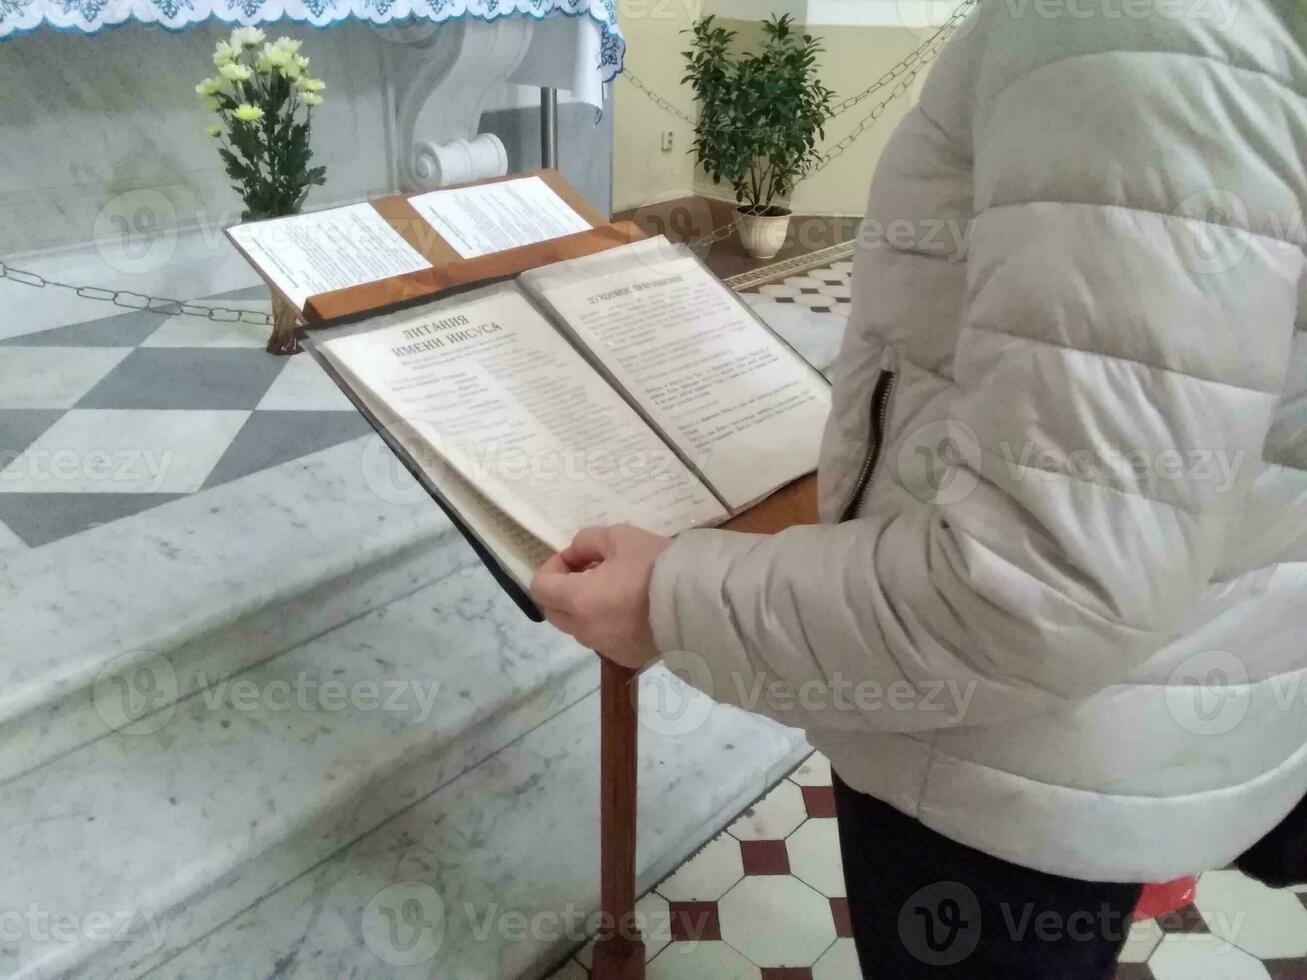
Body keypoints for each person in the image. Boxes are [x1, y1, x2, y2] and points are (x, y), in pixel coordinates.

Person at [531, 0, 1307, 975]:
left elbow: (1039, 583)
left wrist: (666, 598)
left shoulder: (1133, 25)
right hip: (1139, 686)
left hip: (1004, 763)